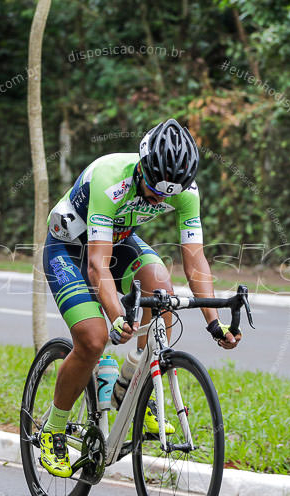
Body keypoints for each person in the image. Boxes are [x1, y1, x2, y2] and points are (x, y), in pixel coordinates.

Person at [40, 118, 242, 477]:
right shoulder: (109, 177)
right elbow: (96, 267)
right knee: (93, 338)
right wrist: (117, 315)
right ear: (143, 165)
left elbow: (195, 260)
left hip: (116, 242)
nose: (159, 198)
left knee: (162, 292)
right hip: (70, 248)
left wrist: (214, 323)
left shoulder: (185, 191)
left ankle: (129, 385)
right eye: (154, 188)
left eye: (168, 193)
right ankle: (53, 429)